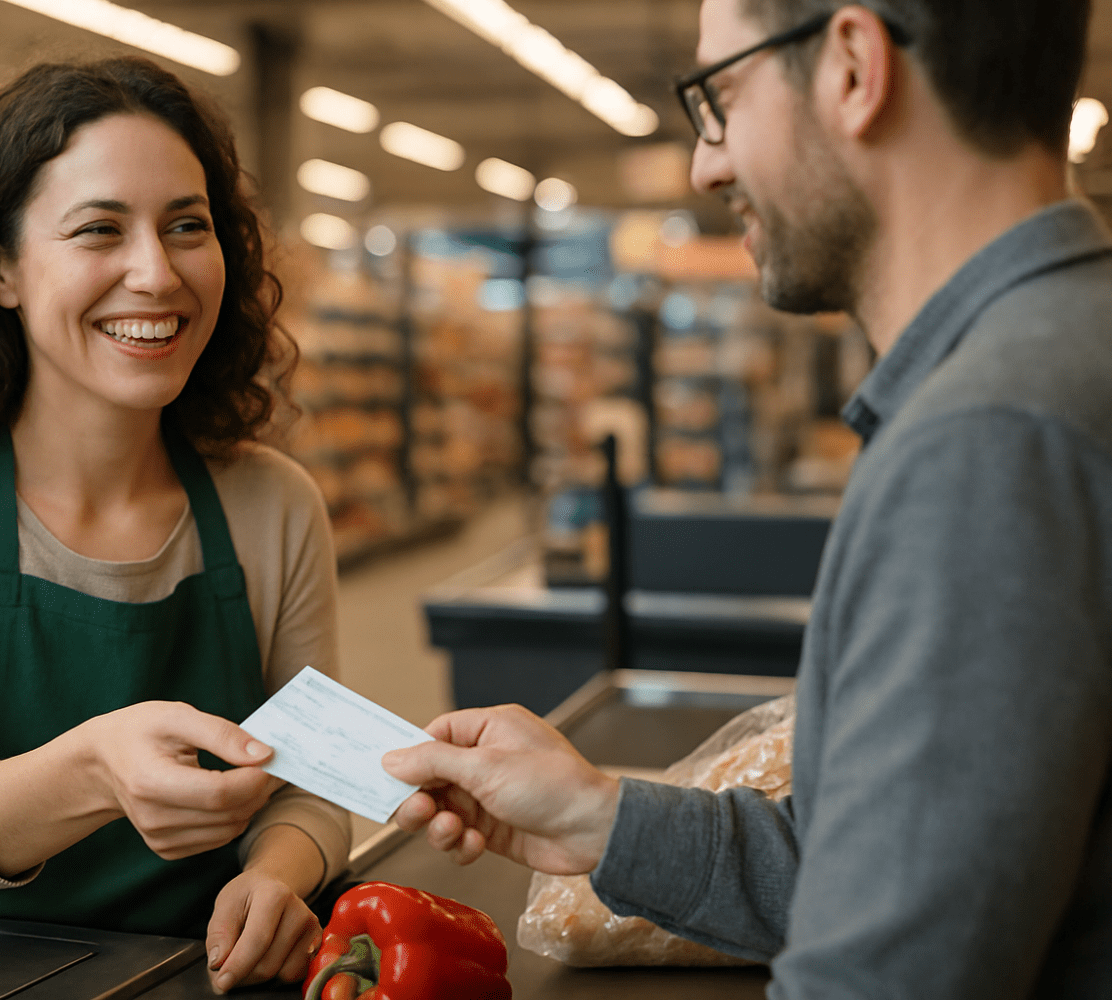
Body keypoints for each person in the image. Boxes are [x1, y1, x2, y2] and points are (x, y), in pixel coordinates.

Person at [384, 0, 1112, 996]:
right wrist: (601, 815)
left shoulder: (987, 442)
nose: (704, 165)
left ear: (854, 66)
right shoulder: (1063, 357)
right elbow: (881, 875)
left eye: (721, 95)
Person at [0, 57, 349, 994]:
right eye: (100, 229)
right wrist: (98, 770)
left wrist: (278, 873)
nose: (157, 272)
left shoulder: (273, 505)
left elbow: (320, 776)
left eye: (188, 226)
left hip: (192, 974)